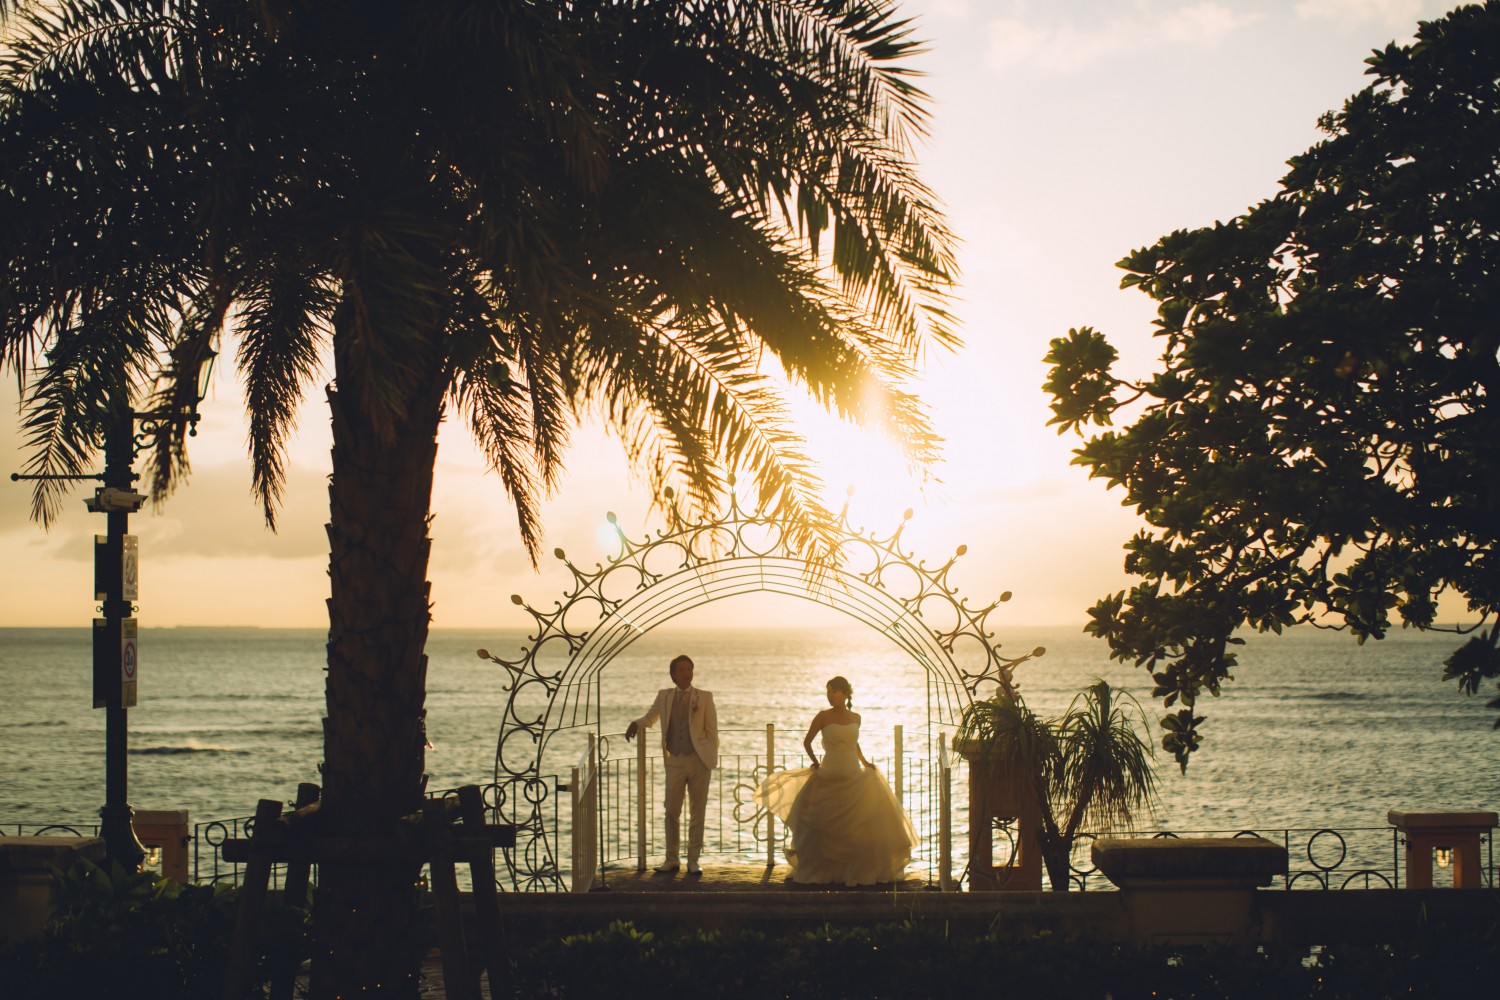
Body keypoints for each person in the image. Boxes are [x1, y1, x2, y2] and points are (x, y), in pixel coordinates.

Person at [754, 676, 918, 886]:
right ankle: (823, 870)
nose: (830, 695)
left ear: (845, 693)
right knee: (819, 823)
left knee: (858, 825)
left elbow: (854, 744)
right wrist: (815, 763)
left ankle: (852, 870)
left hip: (852, 774)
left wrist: (865, 762)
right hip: (829, 772)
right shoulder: (822, 716)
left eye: (833, 691)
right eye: (828, 691)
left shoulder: (856, 717)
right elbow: (807, 742)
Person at [625, 654, 719, 875]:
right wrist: (636, 723)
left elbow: (712, 730)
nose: (687, 673)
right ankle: (671, 858)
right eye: (683, 669)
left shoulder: (704, 697)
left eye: (690, 669)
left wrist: (710, 757)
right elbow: (650, 718)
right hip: (675, 760)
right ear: (674, 674)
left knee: (698, 812)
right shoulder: (664, 696)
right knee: (671, 811)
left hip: (699, 761)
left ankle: (694, 860)